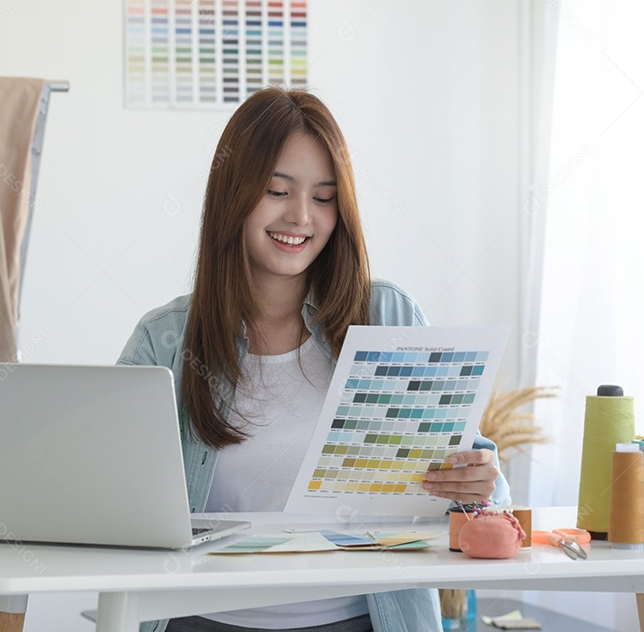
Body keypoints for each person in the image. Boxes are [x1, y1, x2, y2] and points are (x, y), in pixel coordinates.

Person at [118, 88, 510, 632]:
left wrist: (477, 487)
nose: (301, 217)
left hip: (368, 619)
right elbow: (108, 503)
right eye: (278, 190)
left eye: (324, 198)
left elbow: (484, 494)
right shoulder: (165, 340)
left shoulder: (386, 315)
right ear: (233, 195)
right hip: (198, 619)